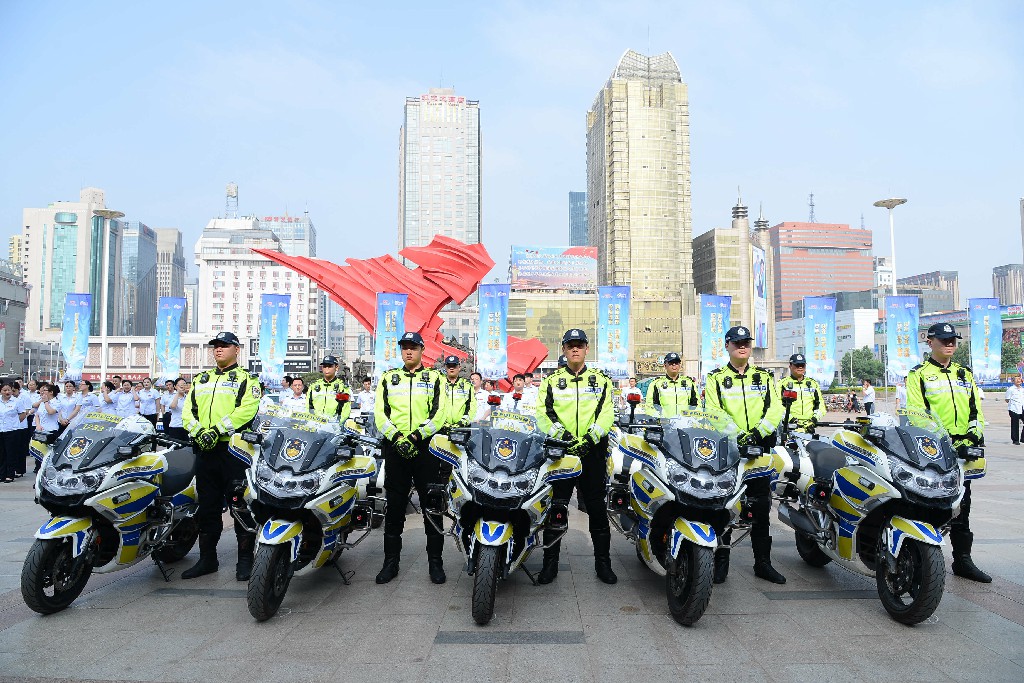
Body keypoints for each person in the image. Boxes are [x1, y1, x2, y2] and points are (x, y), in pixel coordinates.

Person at [907, 323, 990, 582]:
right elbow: (917, 414)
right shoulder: (918, 375)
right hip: (935, 449)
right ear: (930, 342)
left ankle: (962, 560)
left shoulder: (964, 373)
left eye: (953, 340)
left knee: (962, 505)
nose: (950, 344)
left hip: (964, 451)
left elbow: (976, 411)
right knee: (929, 502)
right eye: (944, 340)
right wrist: (946, 440)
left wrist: (972, 436)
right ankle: (921, 562)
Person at [704, 326, 786, 585]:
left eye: (746, 343)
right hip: (728, 450)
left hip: (759, 450)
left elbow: (775, 409)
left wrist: (758, 432)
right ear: (727, 346)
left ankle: (763, 563)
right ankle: (721, 563)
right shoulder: (715, 378)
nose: (742, 347)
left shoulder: (764, 377)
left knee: (761, 506)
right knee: (724, 507)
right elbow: (713, 411)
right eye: (737, 342)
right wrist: (738, 434)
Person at [535, 328, 617, 585]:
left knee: (596, 509)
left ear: (586, 349)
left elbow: (607, 413)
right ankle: (550, 565)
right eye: (570, 345)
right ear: (563, 349)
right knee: (556, 507)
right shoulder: (551, 381)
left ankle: (603, 564)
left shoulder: (601, 381)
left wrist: (591, 438)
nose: (575, 349)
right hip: (562, 453)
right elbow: (542, 414)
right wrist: (565, 437)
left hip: (592, 453)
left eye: (579, 345)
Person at [181, 331, 261, 581]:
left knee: (240, 505)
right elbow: (187, 411)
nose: (218, 349)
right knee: (207, 507)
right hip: (205, 452)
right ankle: (207, 559)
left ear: (237, 349)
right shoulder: (201, 379)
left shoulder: (247, 380)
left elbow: (247, 411)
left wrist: (217, 430)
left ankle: (245, 560)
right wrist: (199, 431)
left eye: (224, 345)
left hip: (234, 452)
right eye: (216, 345)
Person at [373, 331, 448, 585]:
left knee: (432, 507)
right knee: (394, 508)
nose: (408, 351)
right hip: (396, 450)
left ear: (422, 350)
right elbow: (380, 414)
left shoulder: (435, 378)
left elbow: (439, 415)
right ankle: (390, 563)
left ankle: (435, 563)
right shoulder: (388, 378)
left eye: (413, 347)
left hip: (425, 450)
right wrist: (396, 437)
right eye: (404, 347)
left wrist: (415, 437)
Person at [779, 354, 826, 432]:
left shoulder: (813, 383)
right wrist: (792, 420)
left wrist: (813, 420)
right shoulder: (782, 384)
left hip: (809, 428)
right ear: (790, 366)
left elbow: (821, 406)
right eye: (797, 365)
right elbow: (777, 406)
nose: (800, 367)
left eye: (802, 365)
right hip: (789, 427)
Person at [307, 356, 352, 422]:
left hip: (334, 425)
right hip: (315, 425)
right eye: (324, 366)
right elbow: (308, 407)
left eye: (330, 366)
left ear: (336, 367)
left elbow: (345, 410)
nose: (327, 369)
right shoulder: (313, 386)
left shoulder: (342, 388)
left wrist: (338, 424)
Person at [0, 383, 28, 483]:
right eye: (4, 390)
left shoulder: (16, 401)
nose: (7, 392)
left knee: (11, 453)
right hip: (1, 430)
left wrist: (14, 423)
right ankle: (2, 474)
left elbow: (23, 414)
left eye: (9, 390)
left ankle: (10, 474)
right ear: (1, 391)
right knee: (1, 453)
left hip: (12, 431)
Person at [441, 356, 474, 427]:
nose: (451, 368)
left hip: (463, 427)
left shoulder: (467, 385)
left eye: (454, 366)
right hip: (441, 427)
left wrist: (463, 422)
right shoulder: (439, 384)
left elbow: (472, 406)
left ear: (459, 367)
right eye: (449, 366)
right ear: (445, 367)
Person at [1006, 375, 1024, 445]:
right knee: (1015, 425)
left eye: (1019, 379)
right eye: (1017, 379)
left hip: (1022, 408)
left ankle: (1023, 439)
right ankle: (1015, 440)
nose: (1018, 380)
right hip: (1013, 409)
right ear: (1013, 381)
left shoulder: (1022, 389)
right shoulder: (1011, 389)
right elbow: (1007, 399)